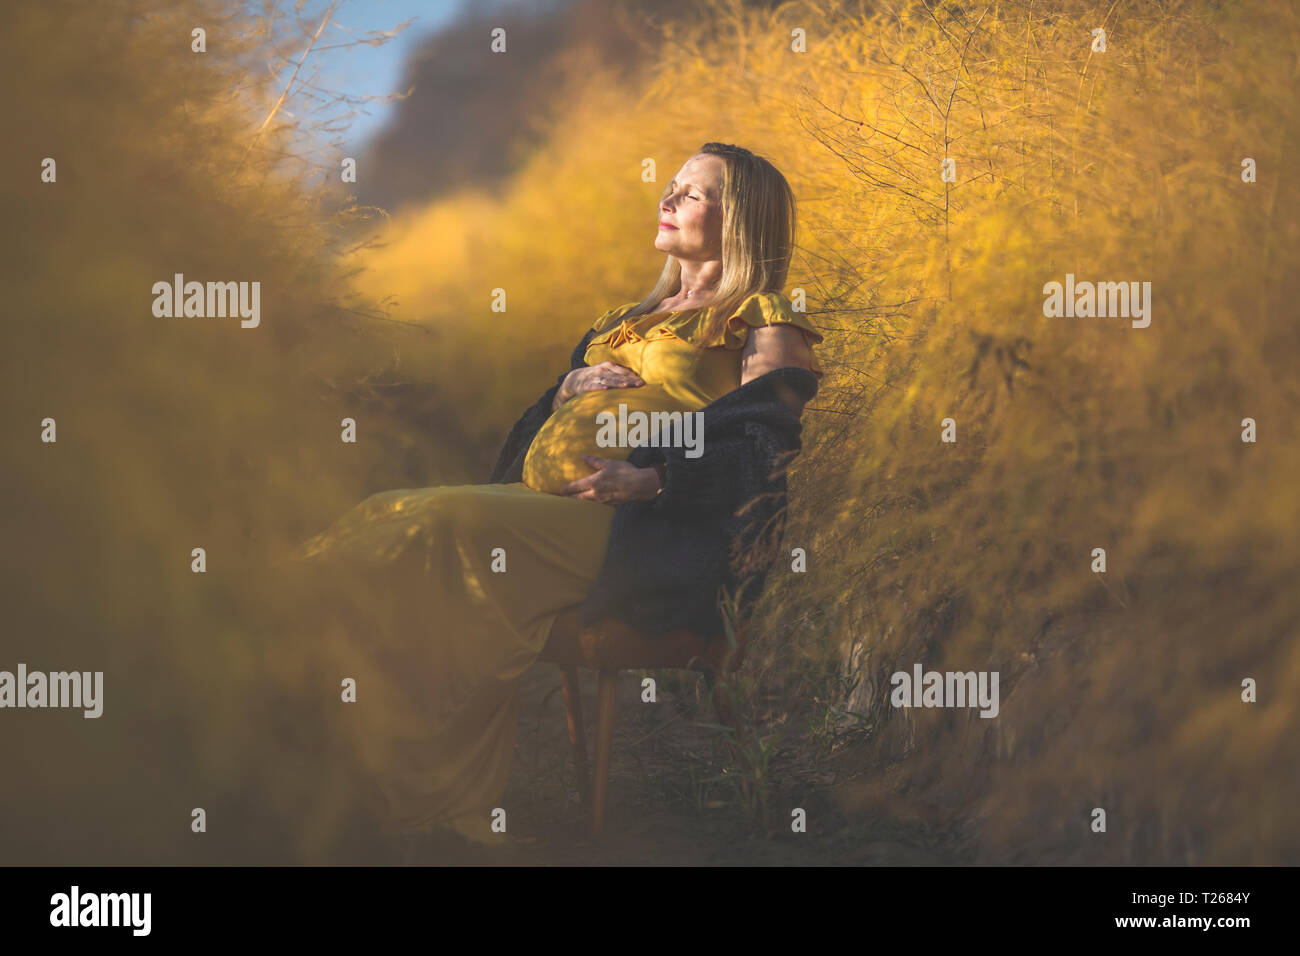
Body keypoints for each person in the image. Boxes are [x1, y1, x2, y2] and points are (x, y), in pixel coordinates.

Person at [291, 143, 824, 847]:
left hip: (641, 534)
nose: (666, 199)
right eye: (669, 186)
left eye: (692, 194)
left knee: (444, 520)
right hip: (558, 514)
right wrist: (567, 388)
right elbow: (554, 421)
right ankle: (306, 689)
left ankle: (429, 796)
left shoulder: (764, 319)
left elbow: (768, 447)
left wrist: (653, 479)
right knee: (389, 510)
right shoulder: (634, 314)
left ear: (743, 219)